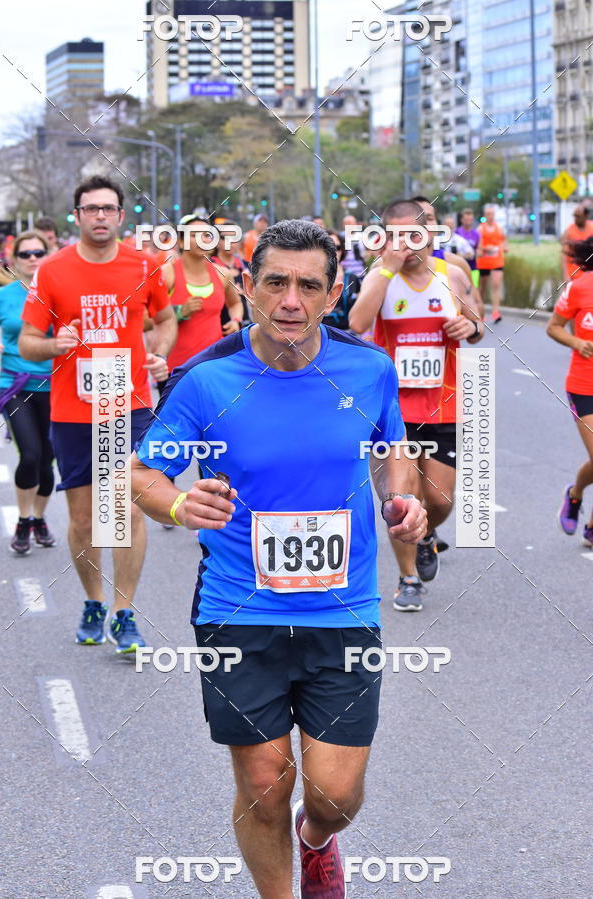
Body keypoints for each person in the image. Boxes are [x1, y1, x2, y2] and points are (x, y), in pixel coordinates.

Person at [131, 219, 427, 898]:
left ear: (333, 294)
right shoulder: (206, 380)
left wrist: (402, 500)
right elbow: (143, 476)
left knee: (334, 795)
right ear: (247, 286)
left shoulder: (369, 369)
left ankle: (316, 837)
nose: (291, 301)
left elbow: (391, 448)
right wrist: (179, 505)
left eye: (309, 286)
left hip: (342, 609)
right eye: (275, 282)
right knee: (265, 782)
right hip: (239, 609)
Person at [19, 174, 176, 653]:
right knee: (86, 520)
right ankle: (94, 601)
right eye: (91, 208)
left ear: (121, 216)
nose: (100, 216)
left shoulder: (144, 265)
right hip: (73, 409)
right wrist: (54, 344)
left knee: (125, 512)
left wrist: (159, 352)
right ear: (78, 216)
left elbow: (166, 319)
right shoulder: (53, 270)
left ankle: (124, 613)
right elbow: (27, 343)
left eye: (108, 208)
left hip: (126, 403)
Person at [349, 199, 483, 609]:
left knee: (439, 500)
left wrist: (469, 324)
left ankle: (426, 535)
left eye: (413, 234)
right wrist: (386, 269)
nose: (405, 244)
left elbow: (478, 324)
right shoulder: (380, 275)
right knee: (401, 498)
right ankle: (408, 579)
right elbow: (356, 323)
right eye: (395, 236)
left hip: (442, 404)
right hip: (391, 409)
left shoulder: (452, 273)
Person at [0, 230, 56, 554]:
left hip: (57, 387)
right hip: (16, 385)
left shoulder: (61, 293)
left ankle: (39, 519)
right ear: (14, 260)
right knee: (30, 454)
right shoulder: (3, 296)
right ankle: (22, 519)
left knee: (47, 460)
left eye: (38, 253)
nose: (32, 259)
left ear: (48, 256)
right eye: (25, 254)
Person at [547, 235, 593, 546]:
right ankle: (575, 494)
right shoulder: (580, 286)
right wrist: (577, 342)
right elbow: (553, 326)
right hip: (584, 386)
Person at [162, 216, 244, 373]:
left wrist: (236, 320)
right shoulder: (167, 273)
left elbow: (235, 303)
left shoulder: (223, 274)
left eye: (207, 235)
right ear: (181, 242)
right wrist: (179, 312)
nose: (202, 240)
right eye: (194, 235)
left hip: (215, 365)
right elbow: (147, 318)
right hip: (177, 368)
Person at [321, 229, 361, 331]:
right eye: (328, 247)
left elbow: (362, 310)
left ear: (342, 250)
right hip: (318, 333)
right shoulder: (311, 278)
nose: (334, 252)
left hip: (347, 333)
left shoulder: (352, 278)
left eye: (337, 248)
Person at [477, 204, 508, 323]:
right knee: (483, 288)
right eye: (488, 214)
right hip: (484, 262)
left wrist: (505, 247)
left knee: (496, 285)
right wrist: (486, 248)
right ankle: (481, 312)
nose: (490, 216)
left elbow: (504, 240)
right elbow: (478, 246)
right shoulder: (480, 229)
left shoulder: (499, 228)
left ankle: (496, 312)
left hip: (497, 261)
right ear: (485, 215)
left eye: (492, 214)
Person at [560, 204, 593, 282]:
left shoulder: (592, 229)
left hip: (589, 276)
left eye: (578, 216)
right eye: (574, 216)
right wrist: (565, 275)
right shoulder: (568, 231)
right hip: (573, 276)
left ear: (586, 216)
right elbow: (564, 255)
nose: (575, 218)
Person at [456, 207, 481, 288]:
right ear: (462, 220)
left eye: (470, 219)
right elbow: (454, 251)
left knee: (475, 289)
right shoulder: (457, 232)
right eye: (466, 219)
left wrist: (475, 254)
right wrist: (463, 255)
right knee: (461, 289)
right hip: (460, 268)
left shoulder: (476, 234)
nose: (469, 221)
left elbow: (479, 251)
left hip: (473, 268)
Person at [340, 213, 367, 281]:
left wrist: (365, 258)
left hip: (360, 273)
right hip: (345, 274)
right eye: (347, 223)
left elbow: (370, 250)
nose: (350, 225)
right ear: (343, 225)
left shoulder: (362, 236)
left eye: (352, 223)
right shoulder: (340, 237)